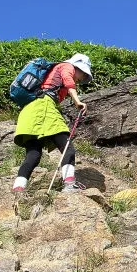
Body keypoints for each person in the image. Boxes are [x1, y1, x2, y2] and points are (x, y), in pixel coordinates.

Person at [12, 53, 92, 193]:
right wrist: (77, 101)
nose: (82, 78)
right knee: (67, 147)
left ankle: (18, 189)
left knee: (33, 154)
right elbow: (68, 80)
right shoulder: (67, 66)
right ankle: (69, 184)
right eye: (84, 74)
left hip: (29, 111)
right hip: (45, 108)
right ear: (77, 66)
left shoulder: (55, 71)